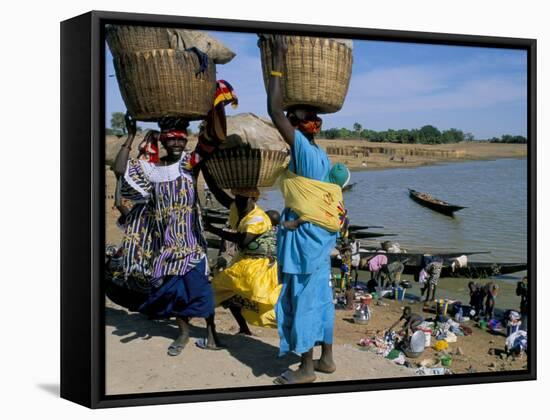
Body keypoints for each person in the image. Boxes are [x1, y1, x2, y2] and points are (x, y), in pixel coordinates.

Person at [266, 35, 350, 384]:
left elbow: (272, 108)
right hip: (320, 237)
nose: (285, 117)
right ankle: (327, 359)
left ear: (300, 126)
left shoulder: (302, 149)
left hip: (302, 238)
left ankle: (306, 368)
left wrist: (278, 61)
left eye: (291, 117)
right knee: (320, 295)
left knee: (301, 298)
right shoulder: (319, 153)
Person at [112, 113, 224, 356]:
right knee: (172, 292)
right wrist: (131, 136)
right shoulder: (152, 170)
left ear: (186, 140)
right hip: (165, 245)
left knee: (201, 290)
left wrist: (216, 109)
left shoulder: (189, 164)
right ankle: (183, 333)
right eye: (171, 139)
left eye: (181, 139)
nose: (176, 143)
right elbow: (119, 169)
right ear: (162, 140)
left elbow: (213, 139)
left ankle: (211, 333)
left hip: (191, 242)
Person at [202, 170, 281, 336]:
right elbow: (218, 194)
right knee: (226, 295)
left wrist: (213, 229)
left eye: (242, 199)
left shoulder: (258, 218)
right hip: (246, 264)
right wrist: (206, 171)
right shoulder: (240, 208)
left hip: (256, 268)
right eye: (237, 198)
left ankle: (211, 336)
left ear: (253, 199)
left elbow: (243, 240)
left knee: (213, 293)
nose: (238, 201)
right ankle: (242, 329)